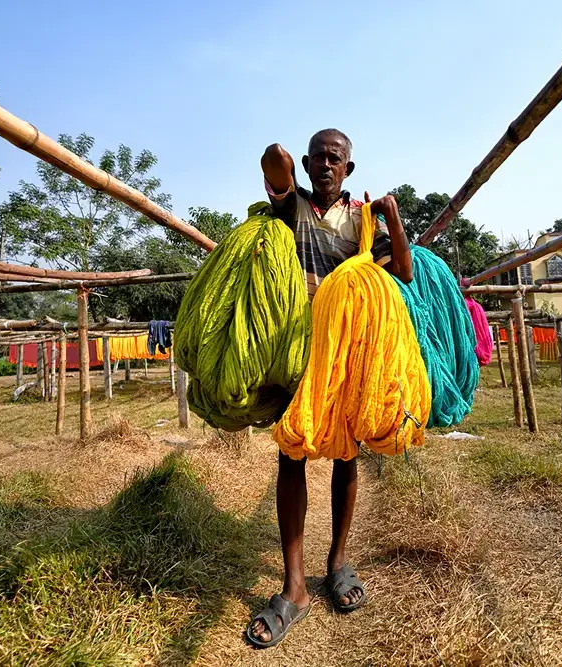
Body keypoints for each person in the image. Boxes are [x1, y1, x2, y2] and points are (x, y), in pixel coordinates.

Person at [246, 129, 413, 648]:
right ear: (306, 163)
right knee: (291, 452)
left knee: (347, 455)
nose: (325, 164)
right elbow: (277, 175)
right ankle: (294, 587)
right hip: (296, 346)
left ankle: (337, 562)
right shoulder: (290, 206)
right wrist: (277, 160)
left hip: (349, 353)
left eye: (334, 158)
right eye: (317, 157)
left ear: (348, 168)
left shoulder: (361, 219)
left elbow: (403, 274)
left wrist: (390, 215)